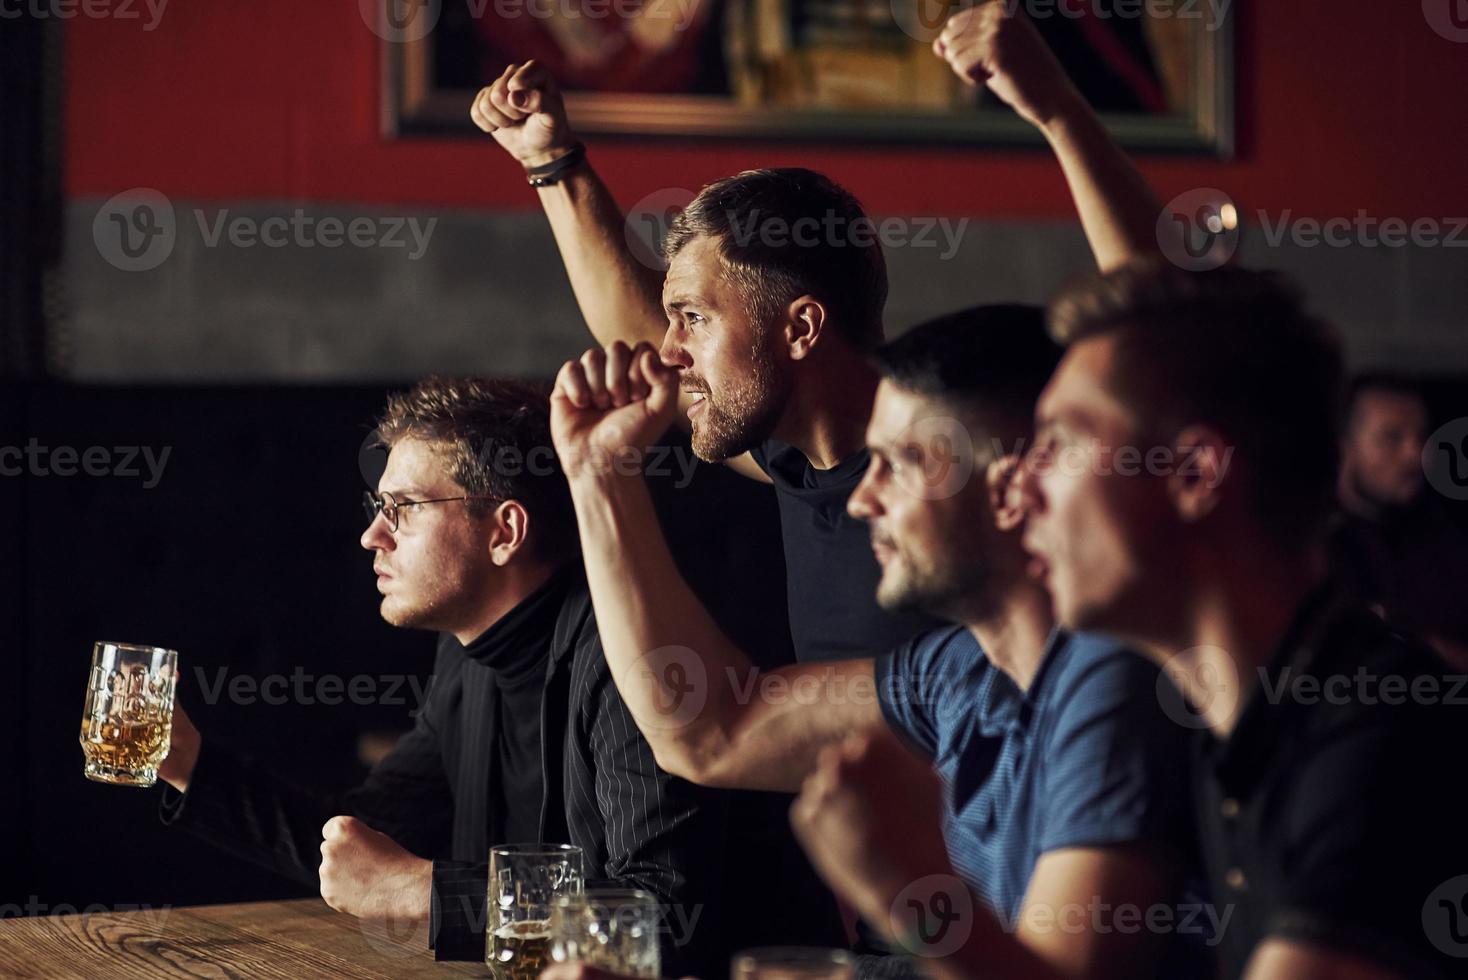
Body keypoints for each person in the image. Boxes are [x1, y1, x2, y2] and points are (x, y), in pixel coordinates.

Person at [470, 0, 1172, 666]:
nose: (669, 350)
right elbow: (639, 319)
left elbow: (1160, 336)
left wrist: (1055, 107)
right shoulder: (793, 456)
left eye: (695, 319)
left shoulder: (960, 454)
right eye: (678, 319)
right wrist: (550, 164)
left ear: (801, 327)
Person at [546, 307, 1208, 979]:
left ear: (1013, 487)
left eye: (900, 462)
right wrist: (602, 476)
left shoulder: (1114, 681)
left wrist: (900, 884)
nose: (862, 501)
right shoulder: (956, 671)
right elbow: (713, 730)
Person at [153, 376, 842, 970]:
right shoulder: (469, 649)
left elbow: (660, 917)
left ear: (505, 531)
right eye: (377, 507)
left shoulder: (625, 657)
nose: (373, 535)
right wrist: (189, 765)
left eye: (405, 508)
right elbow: (363, 847)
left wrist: (421, 894)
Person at [1017, 259, 1468, 979]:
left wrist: (905, 887)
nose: (1023, 482)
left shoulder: (1382, 736)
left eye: (1061, 442)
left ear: (1195, 474)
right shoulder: (1240, 727)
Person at [1329, 373, 1468, 667]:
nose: (1415, 455)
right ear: (1344, 445)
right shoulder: (1310, 549)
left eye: (1422, 437)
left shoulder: (1444, 540)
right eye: (1392, 438)